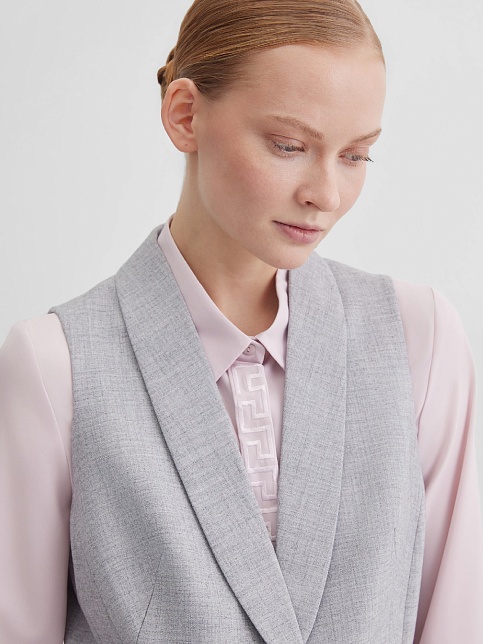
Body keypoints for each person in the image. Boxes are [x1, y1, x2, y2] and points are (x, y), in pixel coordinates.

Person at [1, 0, 482, 642]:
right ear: (185, 115)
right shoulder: (56, 366)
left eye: (356, 155)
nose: (325, 194)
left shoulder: (419, 340)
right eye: (289, 146)